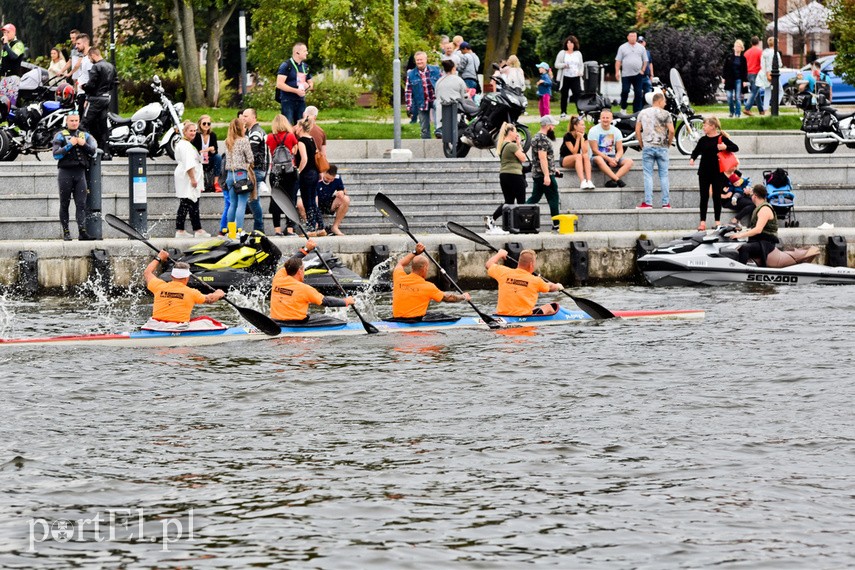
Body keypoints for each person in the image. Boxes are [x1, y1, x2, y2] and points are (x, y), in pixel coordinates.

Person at [269, 239, 355, 324]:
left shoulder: (278, 278)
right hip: (296, 324)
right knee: (327, 318)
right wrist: (346, 301)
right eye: (304, 269)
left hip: (276, 322)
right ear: (299, 271)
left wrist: (306, 249)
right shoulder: (305, 289)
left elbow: (289, 262)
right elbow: (326, 301)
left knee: (314, 315)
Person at [143, 252, 226, 331]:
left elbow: (147, 272)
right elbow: (210, 299)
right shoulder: (192, 293)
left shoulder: (158, 286)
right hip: (178, 327)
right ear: (187, 278)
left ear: (172, 276)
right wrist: (219, 294)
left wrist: (159, 257)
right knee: (206, 320)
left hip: (155, 325)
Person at [391, 242, 470, 321]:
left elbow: (400, 264)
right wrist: (463, 297)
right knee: (442, 315)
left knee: (429, 314)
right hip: (414, 321)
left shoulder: (399, 277)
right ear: (425, 268)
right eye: (427, 268)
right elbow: (448, 298)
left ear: (412, 267)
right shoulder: (428, 287)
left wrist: (415, 252)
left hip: (396, 319)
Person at [52, 111, 97, 241]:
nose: (74, 123)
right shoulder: (60, 135)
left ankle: (82, 232)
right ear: (67, 122)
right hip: (65, 173)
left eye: (76, 120)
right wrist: (70, 144)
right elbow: (56, 154)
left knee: (81, 204)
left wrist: (84, 144)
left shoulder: (85, 135)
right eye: (71, 121)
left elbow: (94, 152)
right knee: (64, 204)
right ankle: (66, 232)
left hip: (80, 174)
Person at [689, 117, 738, 231]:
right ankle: (702, 222)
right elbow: (696, 151)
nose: (703, 127)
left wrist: (725, 147)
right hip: (704, 172)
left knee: (716, 196)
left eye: (705, 125)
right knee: (704, 197)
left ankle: (717, 222)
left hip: (717, 172)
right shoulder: (703, 140)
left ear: (712, 126)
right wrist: (692, 158)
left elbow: (736, 148)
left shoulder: (721, 138)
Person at [485, 248, 563, 316]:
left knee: (534, 309)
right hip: (523, 318)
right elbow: (550, 287)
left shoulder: (504, 272)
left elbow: (488, 264)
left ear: (519, 262)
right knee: (549, 307)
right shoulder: (535, 281)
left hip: (502, 315)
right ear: (531, 265)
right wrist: (558, 286)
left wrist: (500, 254)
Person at [487, 122, 528, 233]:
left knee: (508, 202)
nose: (517, 134)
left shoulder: (502, 145)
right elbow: (523, 158)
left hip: (504, 175)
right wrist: (519, 144)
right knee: (521, 201)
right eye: (515, 132)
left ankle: (492, 218)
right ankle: (521, 225)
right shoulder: (512, 146)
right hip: (515, 175)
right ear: (510, 132)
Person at [635, 92, 674, 209]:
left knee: (648, 175)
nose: (665, 104)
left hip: (648, 146)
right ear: (660, 101)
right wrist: (669, 143)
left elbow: (637, 130)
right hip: (662, 147)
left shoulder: (642, 113)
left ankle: (648, 202)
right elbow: (672, 131)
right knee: (664, 175)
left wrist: (641, 143)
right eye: (664, 101)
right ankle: (666, 203)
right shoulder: (666, 114)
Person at [173, 121, 210, 239]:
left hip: (186, 176)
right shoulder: (186, 146)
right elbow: (189, 164)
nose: (193, 133)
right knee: (190, 202)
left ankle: (183, 229)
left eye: (194, 131)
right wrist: (193, 179)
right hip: (188, 177)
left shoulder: (184, 144)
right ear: (184, 132)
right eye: (191, 131)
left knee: (188, 203)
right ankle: (195, 230)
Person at [266, 113, 299, 236]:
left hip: (275, 172)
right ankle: (290, 229)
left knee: (276, 200)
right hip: (289, 172)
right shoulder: (290, 136)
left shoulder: (270, 137)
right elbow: (294, 151)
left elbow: (270, 151)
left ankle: (277, 230)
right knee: (290, 199)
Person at [730, 184, 778, 267]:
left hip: (767, 242)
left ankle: (741, 271)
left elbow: (758, 230)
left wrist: (740, 235)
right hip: (760, 239)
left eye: (751, 194)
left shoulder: (764, 209)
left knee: (745, 248)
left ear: (755, 196)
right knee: (738, 245)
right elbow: (756, 227)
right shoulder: (759, 207)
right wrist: (742, 231)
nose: (751, 196)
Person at [223, 117, 255, 239]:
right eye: (244, 127)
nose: (245, 129)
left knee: (232, 204)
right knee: (242, 204)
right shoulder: (244, 141)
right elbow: (250, 158)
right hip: (241, 175)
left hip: (230, 175)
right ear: (240, 128)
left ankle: (231, 232)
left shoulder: (228, 141)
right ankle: (239, 230)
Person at [82, 47, 116, 158]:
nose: (89, 60)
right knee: (103, 126)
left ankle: (84, 150)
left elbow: (91, 84)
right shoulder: (111, 66)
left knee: (83, 123)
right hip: (106, 98)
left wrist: (84, 87)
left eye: (89, 57)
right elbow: (114, 83)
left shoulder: (96, 67)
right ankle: (106, 152)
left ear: (93, 55)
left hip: (95, 98)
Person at [588, 109, 634, 187]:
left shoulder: (616, 131)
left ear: (611, 119)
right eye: (603, 118)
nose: (605, 120)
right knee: (598, 159)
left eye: (607, 118)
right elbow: (594, 150)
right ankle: (617, 180)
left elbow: (620, 150)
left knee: (629, 162)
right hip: (598, 157)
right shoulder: (593, 130)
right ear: (600, 118)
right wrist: (608, 159)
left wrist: (616, 159)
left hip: (612, 157)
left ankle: (613, 181)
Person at [294, 118, 324, 235]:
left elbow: (304, 159)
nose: (296, 128)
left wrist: (299, 171)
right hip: (314, 172)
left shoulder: (301, 141)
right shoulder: (312, 139)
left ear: (301, 127)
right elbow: (316, 156)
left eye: (297, 126)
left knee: (307, 201)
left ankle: (311, 228)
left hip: (306, 174)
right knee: (312, 200)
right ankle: (320, 227)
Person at [241, 107, 268, 233]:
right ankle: (258, 227)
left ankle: (259, 228)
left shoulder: (256, 133)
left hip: (256, 169)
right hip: (256, 169)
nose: (243, 118)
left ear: (254, 117)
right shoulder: (251, 131)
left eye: (246, 116)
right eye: (243, 116)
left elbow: (251, 153)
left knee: (253, 200)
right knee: (252, 199)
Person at [405, 51, 440, 139]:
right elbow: (408, 91)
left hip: (435, 99)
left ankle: (440, 137)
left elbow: (443, 84)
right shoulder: (411, 74)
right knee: (424, 128)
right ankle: (426, 144)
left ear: (426, 59)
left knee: (439, 122)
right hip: (421, 102)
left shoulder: (436, 70)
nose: (419, 62)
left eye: (421, 60)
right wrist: (409, 107)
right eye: (417, 60)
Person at [276, 42, 313, 126]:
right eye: (305, 51)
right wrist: (296, 91)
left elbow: (311, 83)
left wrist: (308, 86)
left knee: (302, 125)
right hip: (288, 100)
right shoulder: (286, 65)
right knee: (287, 125)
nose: (307, 53)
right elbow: (279, 84)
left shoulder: (305, 67)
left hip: (300, 100)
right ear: (297, 52)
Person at [615, 31, 647, 114]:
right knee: (625, 91)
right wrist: (617, 72)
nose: (633, 38)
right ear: (628, 37)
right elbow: (618, 60)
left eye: (634, 36)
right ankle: (623, 107)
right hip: (626, 74)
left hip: (638, 74)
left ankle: (636, 111)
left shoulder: (641, 48)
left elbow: (645, 60)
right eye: (631, 36)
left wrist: (643, 70)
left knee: (638, 92)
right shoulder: (622, 47)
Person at [560, 115, 594, 190]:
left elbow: (585, 151)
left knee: (585, 156)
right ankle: (582, 181)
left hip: (577, 159)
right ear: (575, 126)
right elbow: (574, 152)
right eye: (582, 125)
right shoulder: (567, 136)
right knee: (578, 156)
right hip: (565, 159)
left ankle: (589, 181)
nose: (584, 127)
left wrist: (582, 138)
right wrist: (578, 138)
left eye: (584, 125)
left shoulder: (584, 135)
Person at [554, 35, 583, 119]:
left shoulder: (578, 54)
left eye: (571, 43)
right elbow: (556, 64)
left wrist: (581, 72)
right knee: (564, 95)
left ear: (574, 44)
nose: (569, 45)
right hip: (565, 77)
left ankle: (580, 111)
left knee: (577, 94)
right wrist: (564, 65)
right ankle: (563, 111)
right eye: (568, 43)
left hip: (575, 77)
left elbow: (581, 65)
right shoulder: (562, 53)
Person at [316, 164, 350, 236]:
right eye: (327, 178)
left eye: (332, 179)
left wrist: (342, 192)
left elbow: (343, 190)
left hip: (328, 203)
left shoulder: (337, 178)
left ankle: (335, 227)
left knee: (346, 199)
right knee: (301, 203)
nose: (329, 181)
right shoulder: (317, 178)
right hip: (315, 202)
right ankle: (314, 225)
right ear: (324, 173)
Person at [192, 114, 222, 193]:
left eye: (208, 123)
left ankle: (216, 183)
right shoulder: (196, 135)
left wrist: (212, 151)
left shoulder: (212, 135)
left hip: (209, 158)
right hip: (198, 159)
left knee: (218, 157)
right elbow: (194, 151)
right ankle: (200, 183)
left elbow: (216, 151)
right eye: (204, 123)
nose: (206, 125)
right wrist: (206, 150)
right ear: (200, 124)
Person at [722, 40, 748, 118]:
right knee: (729, 96)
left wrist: (744, 80)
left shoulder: (743, 59)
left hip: (738, 79)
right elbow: (725, 68)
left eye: (738, 46)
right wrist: (723, 77)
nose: (737, 48)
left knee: (738, 97)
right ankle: (731, 111)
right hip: (729, 79)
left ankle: (737, 113)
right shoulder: (729, 57)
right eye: (736, 46)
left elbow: (745, 70)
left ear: (741, 48)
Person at [757, 36, 782, 112]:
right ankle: (775, 106)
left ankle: (766, 108)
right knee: (780, 91)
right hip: (774, 74)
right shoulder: (776, 53)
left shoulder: (764, 52)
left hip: (767, 75)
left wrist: (766, 72)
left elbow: (762, 64)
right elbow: (780, 64)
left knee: (767, 91)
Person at [742, 36, 764, 116]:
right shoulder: (760, 52)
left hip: (748, 74)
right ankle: (747, 108)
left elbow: (743, 64)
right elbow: (762, 63)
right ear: (758, 42)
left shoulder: (746, 52)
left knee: (756, 92)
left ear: (751, 43)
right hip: (756, 74)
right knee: (754, 92)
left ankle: (761, 110)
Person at [72, 33, 92, 116]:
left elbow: (92, 79)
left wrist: (87, 98)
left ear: (86, 43)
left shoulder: (89, 59)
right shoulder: (84, 58)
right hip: (81, 93)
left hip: (85, 95)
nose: (76, 46)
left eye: (78, 44)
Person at [639, 36, 654, 100]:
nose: (640, 43)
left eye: (641, 42)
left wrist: (651, 75)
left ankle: (647, 105)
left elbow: (650, 63)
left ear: (644, 43)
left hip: (646, 77)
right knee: (639, 95)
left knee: (648, 95)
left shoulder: (647, 52)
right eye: (639, 42)